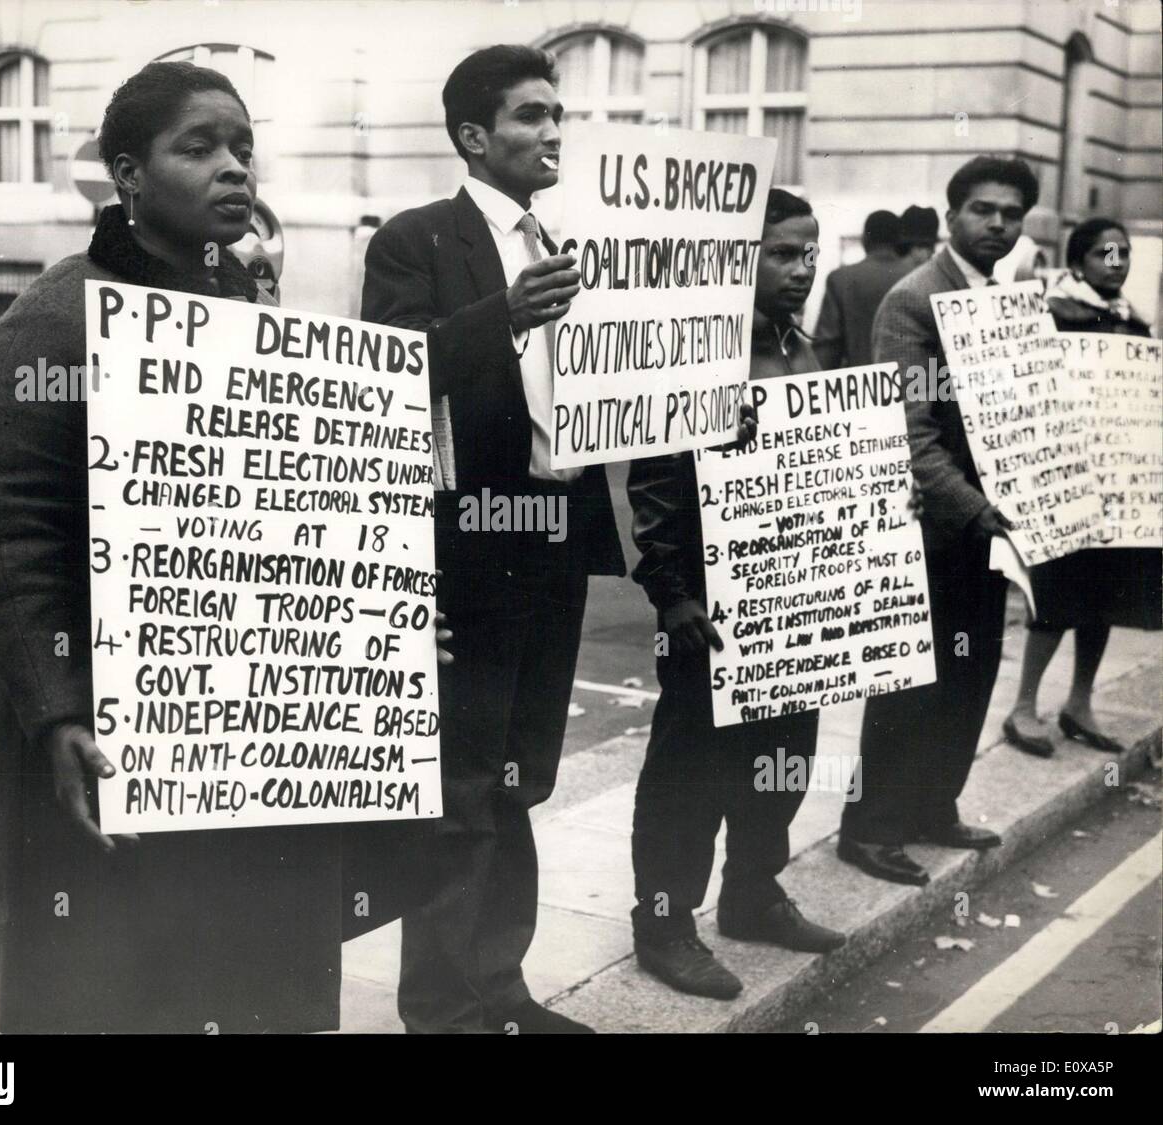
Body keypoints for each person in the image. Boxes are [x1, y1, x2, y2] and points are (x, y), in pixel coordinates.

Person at [0, 61, 448, 1033]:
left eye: (242, 146)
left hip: (255, 745)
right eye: (199, 146)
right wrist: (58, 715)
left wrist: (380, 634)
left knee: (261, 982)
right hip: (112, 742)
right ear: (127, 172)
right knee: (115, 990)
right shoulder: (50, 328)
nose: (233, 167)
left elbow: (307, 516)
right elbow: (9, 533)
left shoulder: (256, 324)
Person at [359, 45, 627, 1034]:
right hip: (467, 548)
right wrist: (504, 313)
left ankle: (498, 987)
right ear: (475, 136)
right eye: (530, 116)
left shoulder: (576, 235)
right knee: (463, 785)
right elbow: (388, 371)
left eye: (559, 114)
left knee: (524, 774)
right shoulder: (416, 239)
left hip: (552, 539)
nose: (554, 131)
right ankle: (443, 1006)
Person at [626, 190, 845, 1001]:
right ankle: (664, 923)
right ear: (736, 260)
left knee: (782, 759)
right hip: (711, 607)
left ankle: (753, 892)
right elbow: (649, 482)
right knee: (689, 768)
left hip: (793, 600)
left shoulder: (805, 347)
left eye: (810, 253)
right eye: (783, 253)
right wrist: (672, 594)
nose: (802, 268)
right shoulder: (690, 355)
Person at [837, 156, 1041, 887]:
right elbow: (909, 432)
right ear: (950, 215)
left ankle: (932, 804)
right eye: (983, 210)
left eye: (1011, 214)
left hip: (991, 528)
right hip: (935, 523)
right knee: (910, 681)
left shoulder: (1007, 296)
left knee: (973, 665)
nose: (997, 225)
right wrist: (980, 512)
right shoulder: (914, 299)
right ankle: (870, 827)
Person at [1003, 217, 1159, 758]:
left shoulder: (1135, 323)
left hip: (1119, 486)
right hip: (1064, 479)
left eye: (1123, 253)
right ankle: (1023, 707)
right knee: (1057, 593)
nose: (1116, 263)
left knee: (1106, 594)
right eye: (1103, 254)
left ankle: (1079, 702)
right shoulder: (1054, 315)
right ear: (1077, 263)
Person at [813, 209, 912, 370]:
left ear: (866, 239)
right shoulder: (917, 277)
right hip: (913, 387)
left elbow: (826, 350)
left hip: (860, 388)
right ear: (899, 241)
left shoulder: (840, 279)